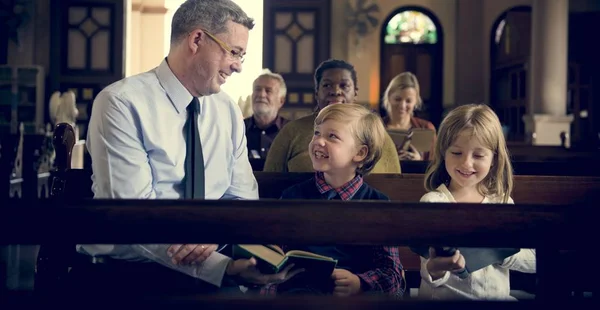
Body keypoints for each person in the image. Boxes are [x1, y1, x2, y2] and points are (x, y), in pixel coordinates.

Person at [78, 0, 299, 295]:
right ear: (197, 40)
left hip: (216, 264)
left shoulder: (227, 111)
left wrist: (219, 246)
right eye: (234, 52)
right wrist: (220, 268)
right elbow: (133, 215)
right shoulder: (121, 103)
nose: (238, 66)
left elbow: (242, 200)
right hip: (131, 274)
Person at [261, 103, 405, 297]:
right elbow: (273, 260)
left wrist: (359, 283)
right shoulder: (292, 197)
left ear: (360, 153)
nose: (319, 141)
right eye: (317, 133)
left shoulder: (377, 205)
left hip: (353, 301)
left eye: (332, 136)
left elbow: (393, 275)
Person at [418, 104, 536, 300]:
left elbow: (534, 260)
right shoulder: (433, 202)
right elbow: (429, 271)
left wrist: (501, 251)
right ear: (443, 153)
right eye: (456, 153)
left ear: (494, 159)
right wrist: (437, 269)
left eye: (479, 155)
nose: (466, 163)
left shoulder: (503, 204)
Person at [263, 59, 401, 173]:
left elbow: (396, 185)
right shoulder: (292, 132)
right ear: (317, 92)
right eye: (327, 85)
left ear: (355, 92)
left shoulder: (376, 134)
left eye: (344, 85)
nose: (335, 91)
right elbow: (269, 182)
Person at [382, 72, 436, 161]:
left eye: (408, 101)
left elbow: (435, 165)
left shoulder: (426, 128)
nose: (402, 105)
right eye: (397, 99)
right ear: (389, 97)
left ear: (416, 102)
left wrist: (419, 162)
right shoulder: (377, 128)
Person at [244, 69, 290, 159]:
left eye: (268, 91)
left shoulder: (291, 132)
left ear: (281, 101)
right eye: (257, 89)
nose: (261, 95)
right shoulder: (238, 129)